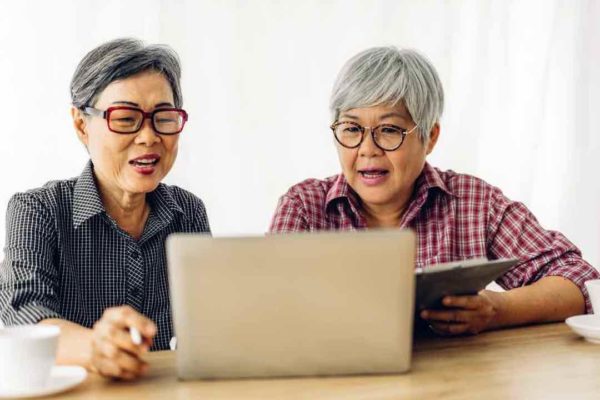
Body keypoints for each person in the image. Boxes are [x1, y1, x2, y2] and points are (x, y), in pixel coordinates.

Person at [269, 46, 599, 335]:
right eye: (352, 128)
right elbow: (265, 308)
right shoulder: (304, 207)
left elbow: (580, 279)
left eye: (389, 130)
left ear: (430, 137)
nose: (367, 149)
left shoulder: (474, 203)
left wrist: (498, 309)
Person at [0, 38, 210, 380]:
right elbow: (24, 313)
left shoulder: (188, 212)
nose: (148, 137)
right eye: (126, 119)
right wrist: (94, 346)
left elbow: (205, 324)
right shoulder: (38, 210)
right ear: (81, 125)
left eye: (163, 118)